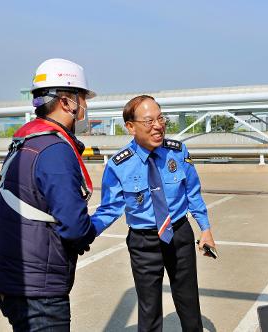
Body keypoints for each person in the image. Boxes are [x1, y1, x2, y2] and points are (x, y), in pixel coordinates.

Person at [0, 58, 98, 331]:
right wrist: (88, 231)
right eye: (83, 99)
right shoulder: (55, 150)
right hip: (39, 293)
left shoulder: (25, 141)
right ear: (66, 102)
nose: (84, 108)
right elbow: (74, 227)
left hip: (12, 279)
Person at [91, 95, 216, 331]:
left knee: (189, 302)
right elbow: (109, 208)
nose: (158, 126)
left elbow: (193, 192)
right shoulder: (119, 165)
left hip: (179, 234)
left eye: (161, 118)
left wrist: (206, 230)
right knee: (149, 310)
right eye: (149, 121)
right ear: (130, 126)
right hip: (143, 242)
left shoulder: (177, 152)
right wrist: (84, 232)